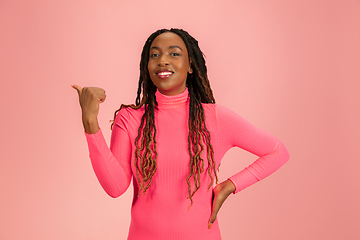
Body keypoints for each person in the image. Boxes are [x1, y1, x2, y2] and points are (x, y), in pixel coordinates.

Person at [72, 28, 289, 240]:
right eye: (154, 55)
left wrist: (230, 185)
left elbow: (277, 151)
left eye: (174, 54)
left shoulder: (215, 118)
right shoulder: (130, 119)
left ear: (190, 66)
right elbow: (115, 187)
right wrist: (90, 122)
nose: (163, 60)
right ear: (147, 67)